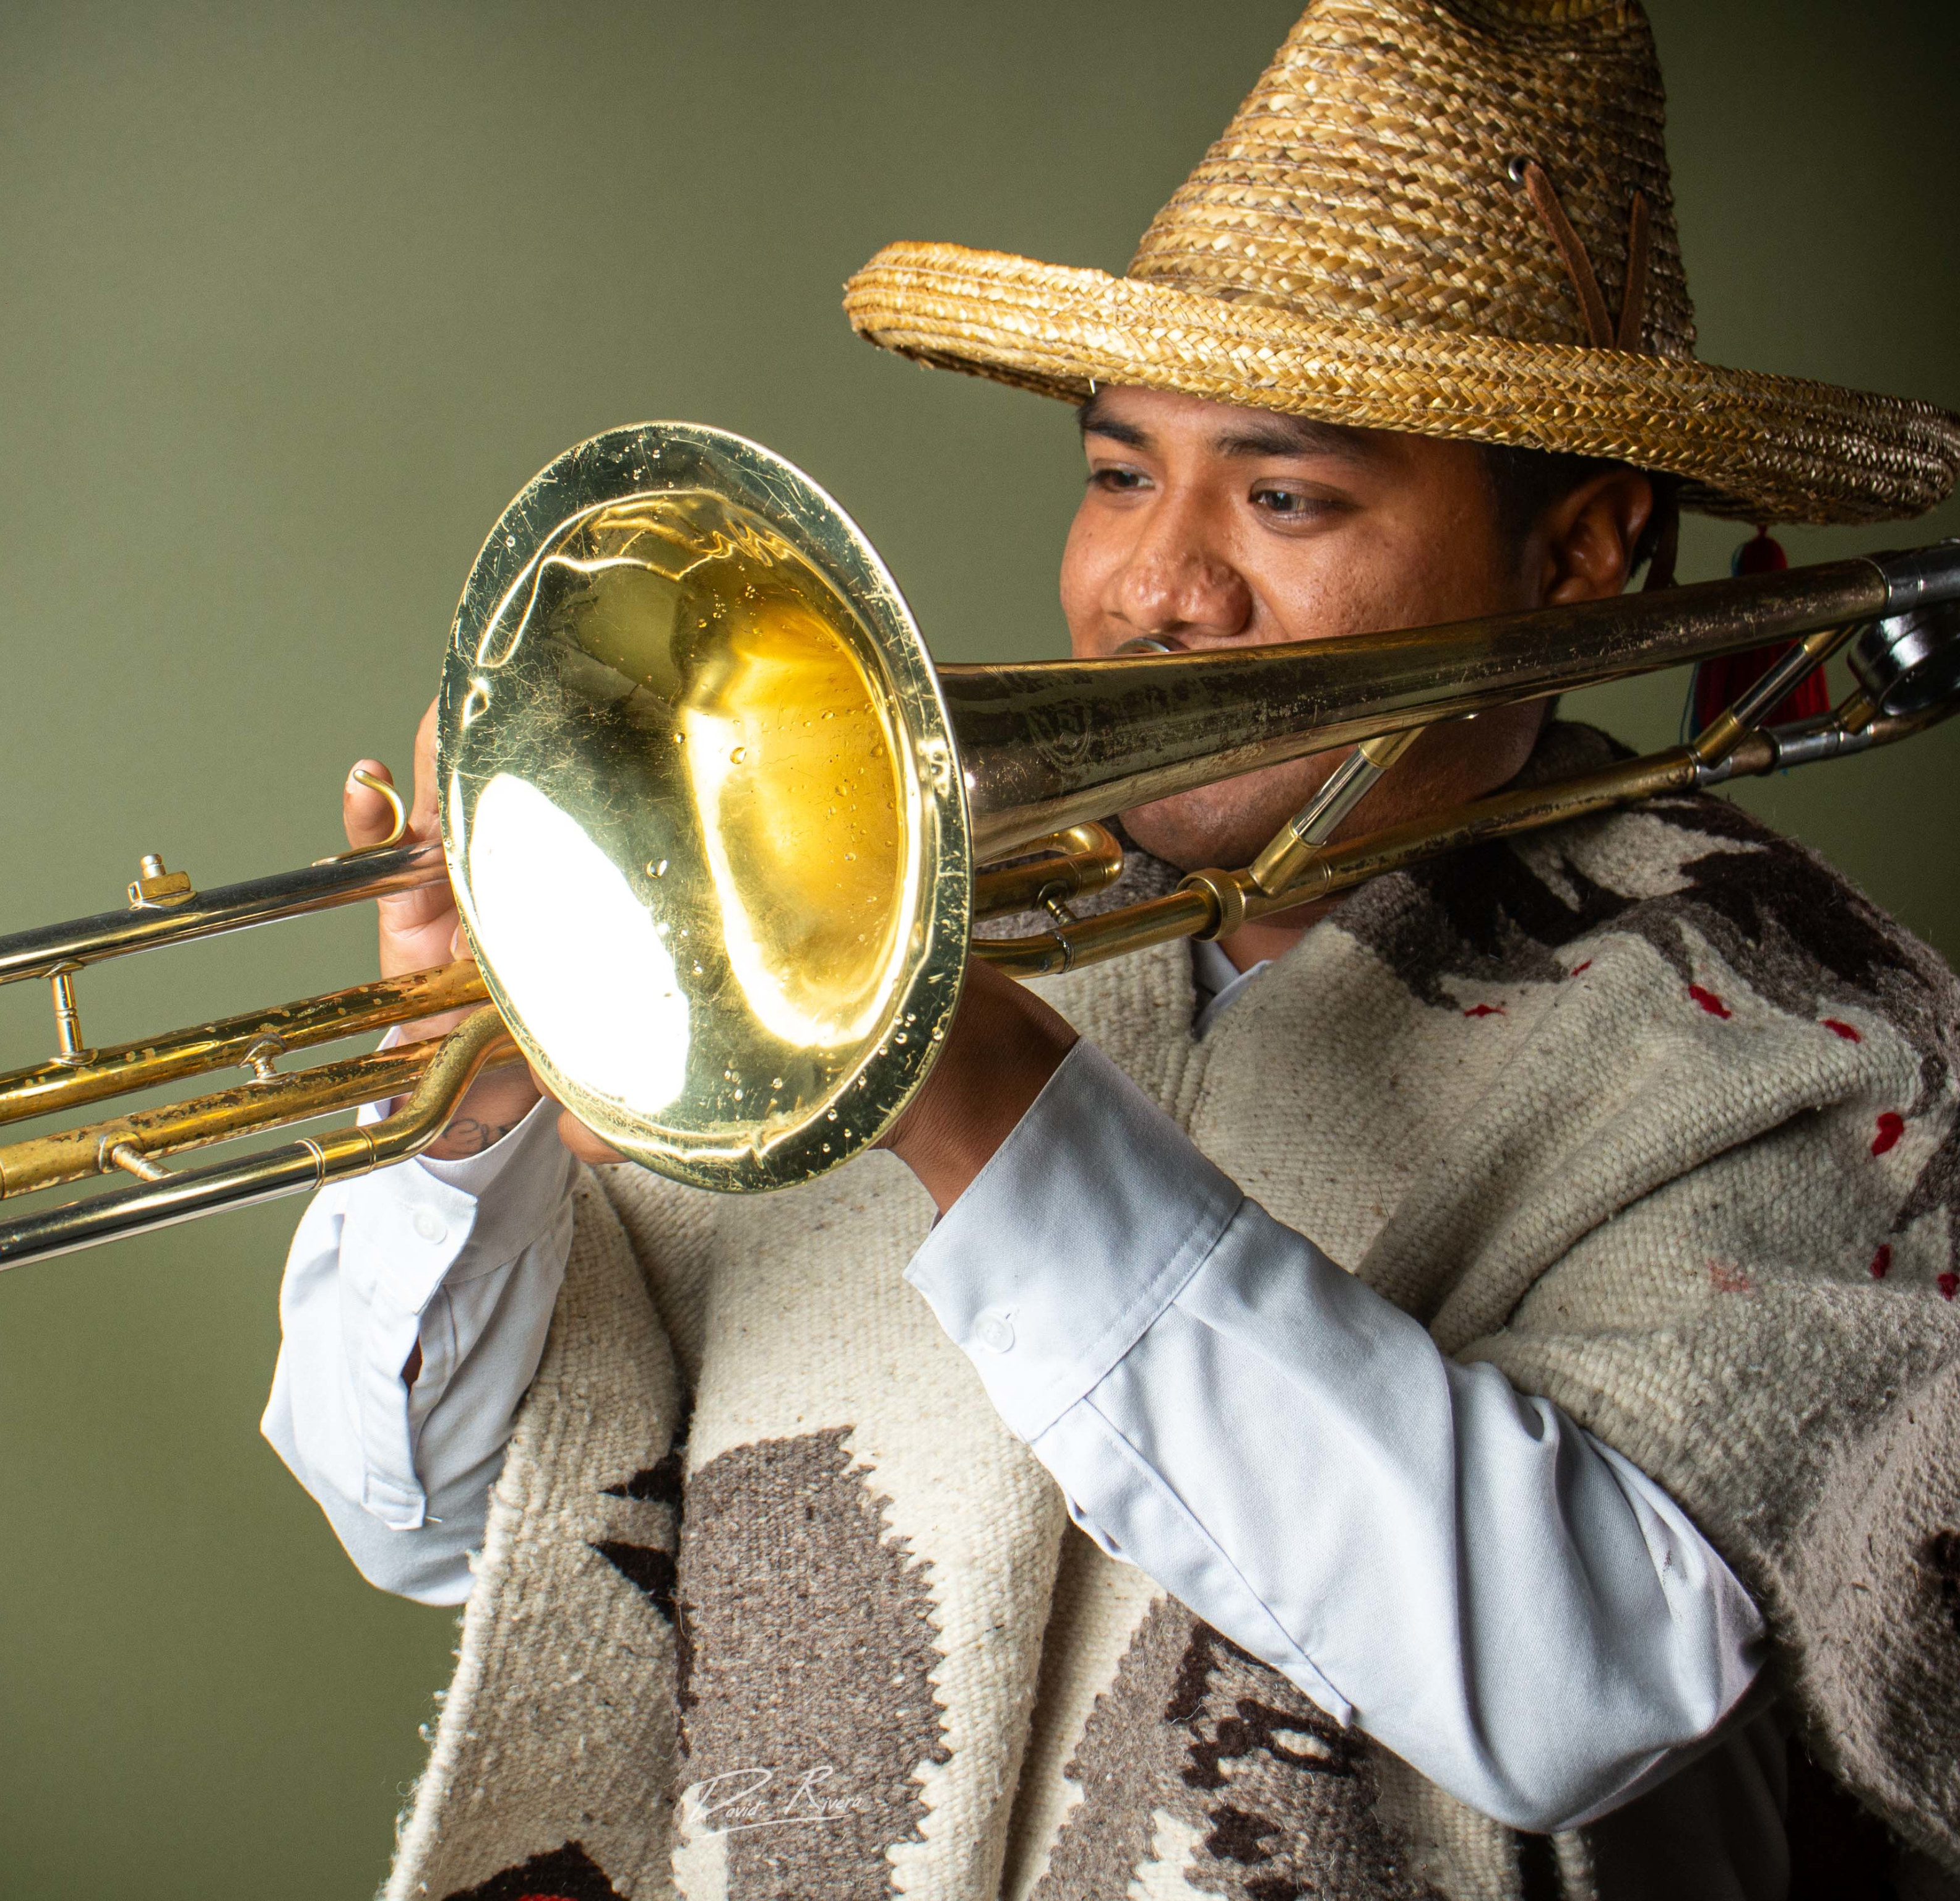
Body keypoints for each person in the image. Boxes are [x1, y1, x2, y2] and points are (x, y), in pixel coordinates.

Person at [263, 4, 1960, 1897]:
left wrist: (967, 1078)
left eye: (1288, 493)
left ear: (1580, 551)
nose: (1156, 586)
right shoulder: (880, 908)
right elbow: (429, 1517)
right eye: (1121, 472)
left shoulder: (1805, 1044)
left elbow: (1584, 1688)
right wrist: (465, 1129)